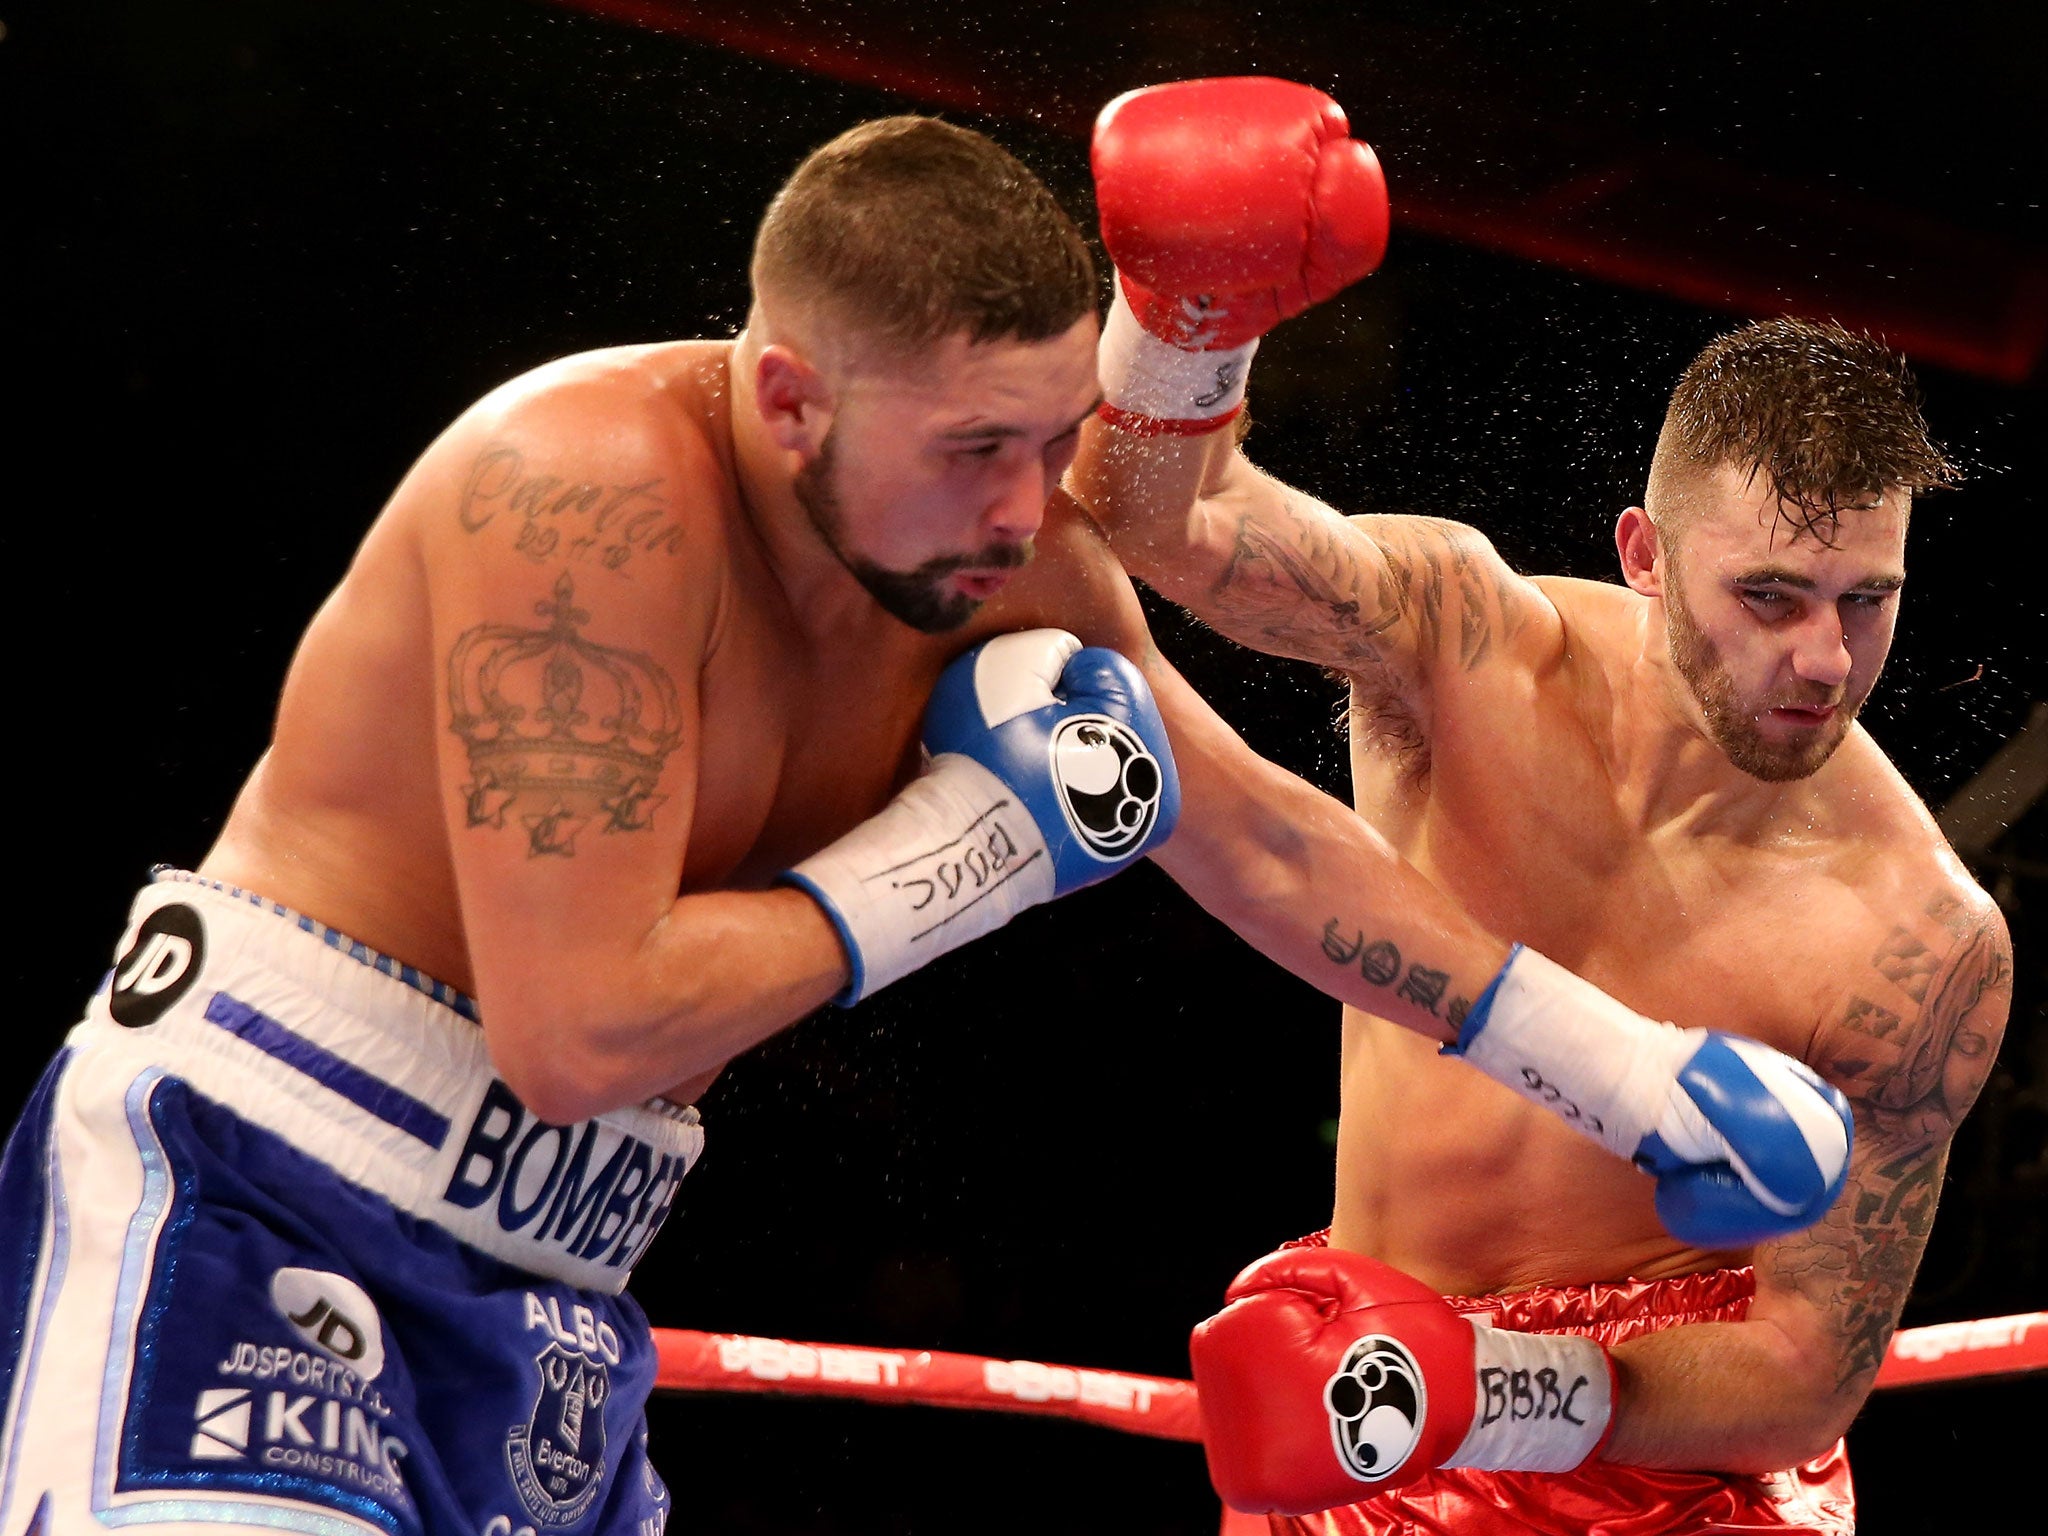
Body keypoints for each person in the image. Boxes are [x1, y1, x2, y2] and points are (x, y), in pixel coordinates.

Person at [1, 112, 1848, 1536]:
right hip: (260, 1186)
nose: (1027, 504)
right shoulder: (580, 503)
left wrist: (1632, 1076)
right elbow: (578, 1031)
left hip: (554, 1281)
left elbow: (1267, 843)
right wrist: (980, 846)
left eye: (1048, 438)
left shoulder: (1012, 545)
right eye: (973, 448)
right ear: (790, 398)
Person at [1073, 76, 2015, 1535]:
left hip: (1665, 1468)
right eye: (1767, 597)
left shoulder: (1921, 942)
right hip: (1364, 1388)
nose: (1825, 660)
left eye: (1866, 601)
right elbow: (1161, 519)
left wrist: (1490, 1385)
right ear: (1643, 554)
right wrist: (1187, 317)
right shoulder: (1463, 645)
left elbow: (1806, 1373)